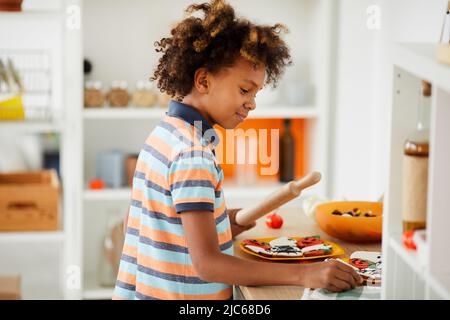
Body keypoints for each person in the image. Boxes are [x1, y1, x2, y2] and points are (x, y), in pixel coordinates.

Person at [112, 0, 362, 300]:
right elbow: (208, 266)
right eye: (245, 90)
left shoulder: (162, 135)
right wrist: (305, 273)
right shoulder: (193, 155)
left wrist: (216, 225)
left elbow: (138, 223)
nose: (252, 103)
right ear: (203, 80)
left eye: (256, 93)